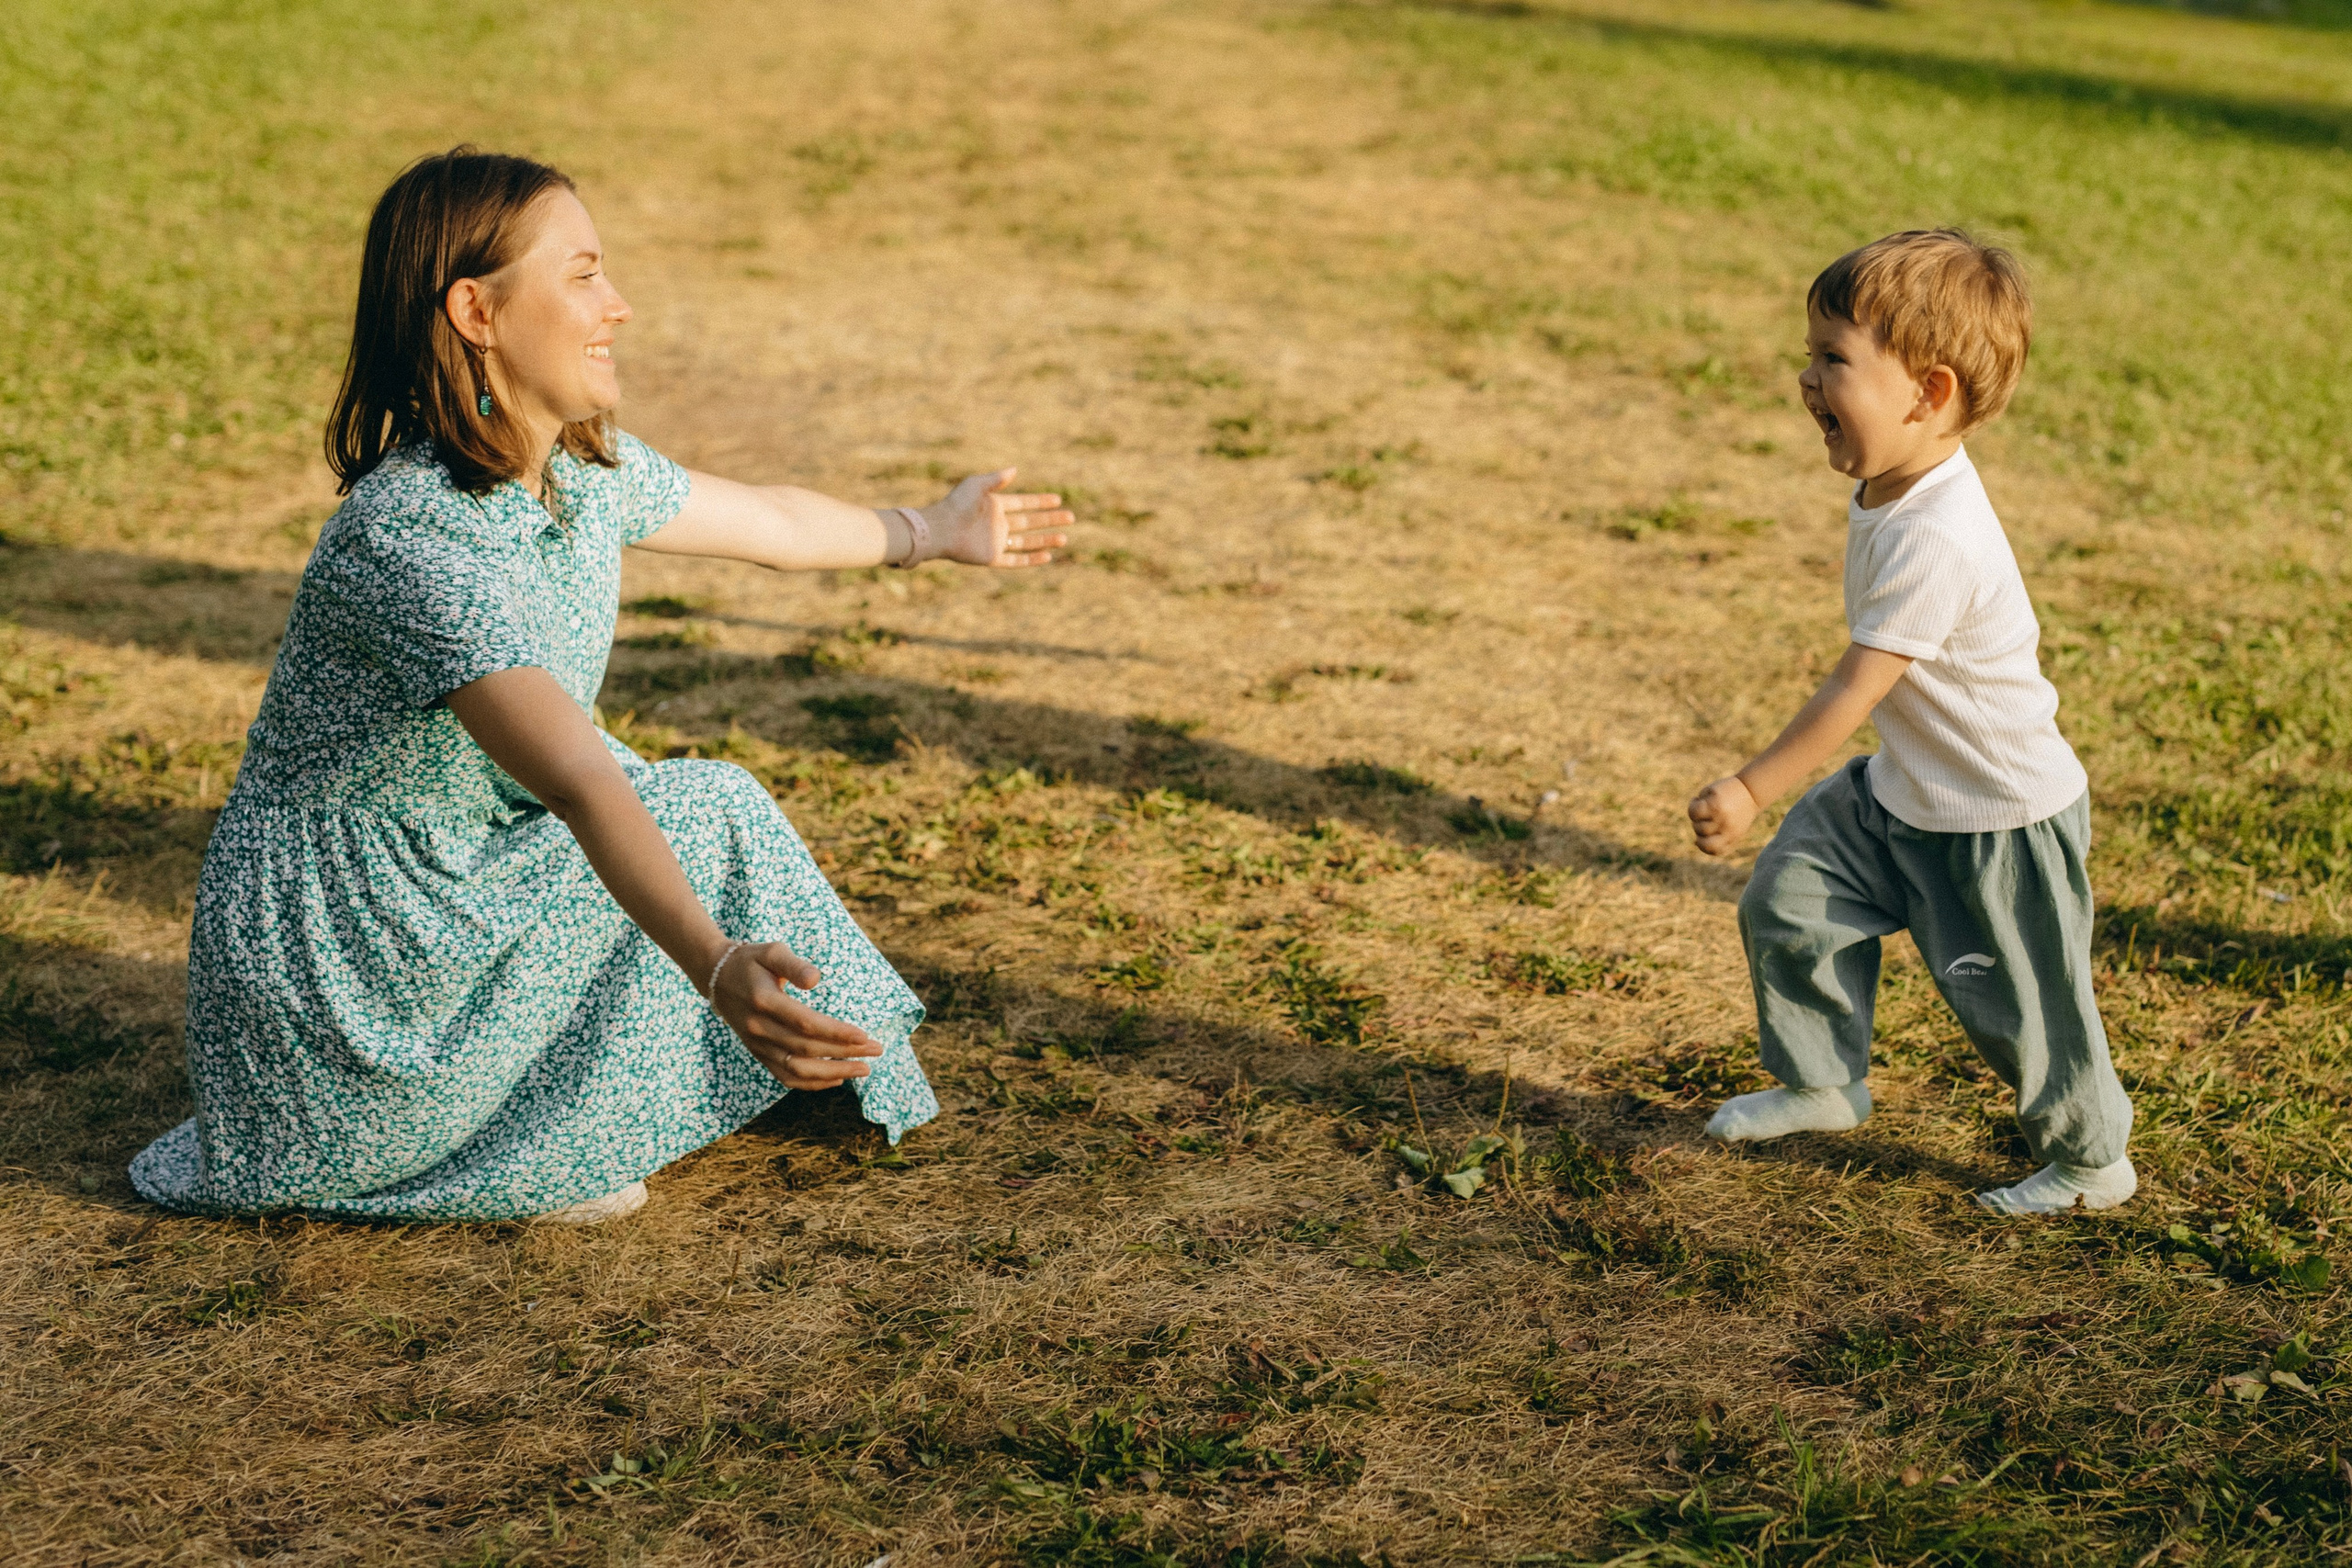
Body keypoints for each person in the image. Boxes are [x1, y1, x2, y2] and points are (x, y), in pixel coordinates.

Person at [130, 147, 1069, 1224]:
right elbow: (577, 780)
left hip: (451, 889)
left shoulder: (577, 475)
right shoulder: (410, 538)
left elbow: (769, 522)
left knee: (680, 803)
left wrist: (932, 533)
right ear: (475, 310)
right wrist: (713, 967)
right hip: (348, 982)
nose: (617, 306)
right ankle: (575, 1119)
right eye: (581, 276)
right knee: (684, 803)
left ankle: (784, 1059)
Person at [1684, 229, 2134, 1216]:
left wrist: (1753, 786)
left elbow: (1856, 690)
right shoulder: (1893, 482)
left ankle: (2093, 1159)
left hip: (1993, 824)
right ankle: (1821, 1081)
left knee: (2023, 1008)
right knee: (1789, 905)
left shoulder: (1938, 535)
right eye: (1809, 354)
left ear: (1926, 394)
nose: (1806, 381)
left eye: (1833, 360)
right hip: (1898, 796)